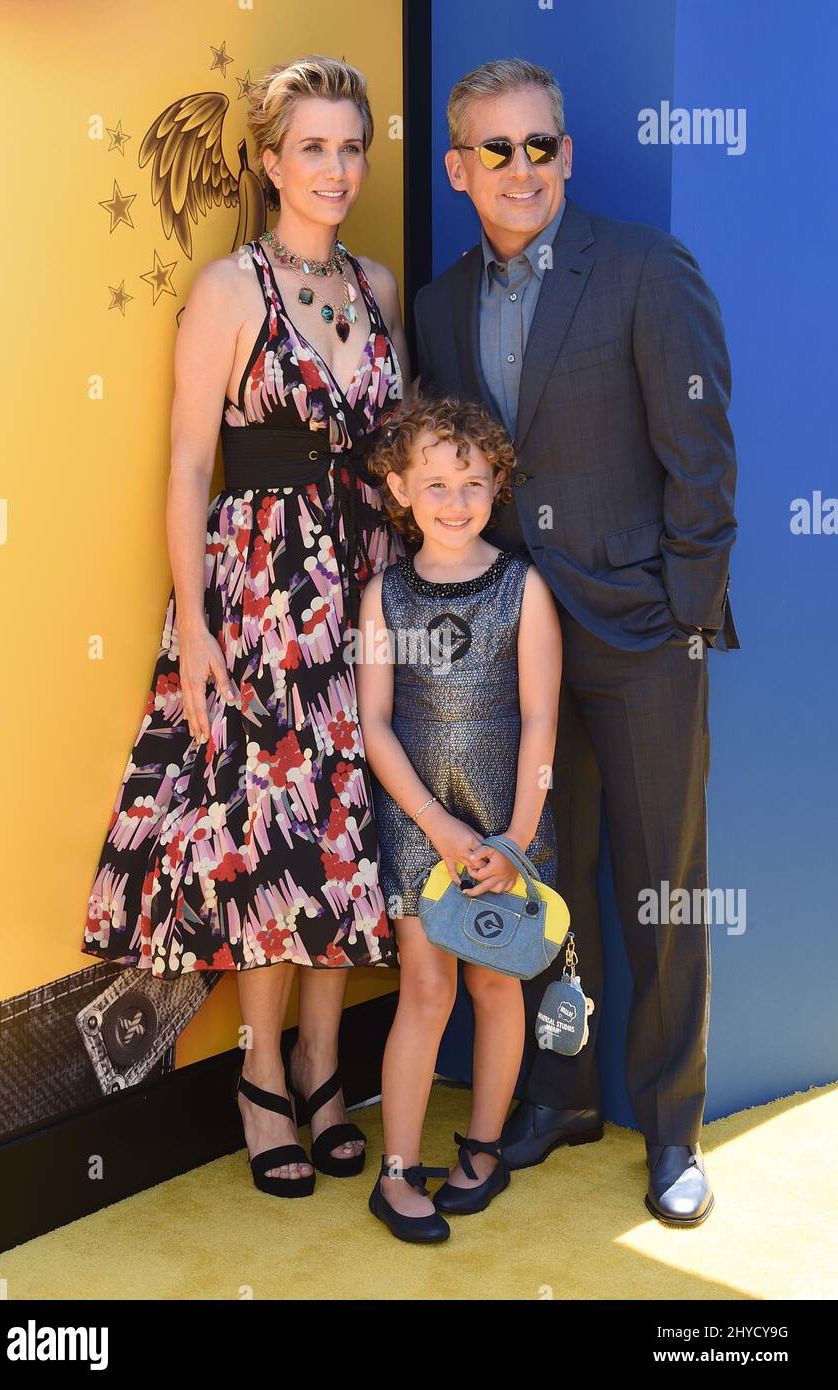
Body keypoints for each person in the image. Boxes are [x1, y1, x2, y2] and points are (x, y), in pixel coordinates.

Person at [413, 58, 739, 1226]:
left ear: (566, 154)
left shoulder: (646, 271)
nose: (520, 169)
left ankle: (673, 1129)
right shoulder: (440, 306)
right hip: (511, 662)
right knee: (542, 883)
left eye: (538, 146)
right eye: (493, 150)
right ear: (456, 168)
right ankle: (560, 1096)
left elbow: (701, 460)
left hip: (643, 643)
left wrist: (680, 614)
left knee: (661, 888)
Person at [82, 55, 410, 1198]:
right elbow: (185, 464)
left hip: (361, 582)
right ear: (269, 162)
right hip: (259, 590)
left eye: (350, 146)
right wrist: (198, 626)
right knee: (269, 836)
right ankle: (260, 1068)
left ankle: (327, 1061)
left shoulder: (375, 287)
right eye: (311, 147)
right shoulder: (230, 290)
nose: (335, 168)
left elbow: (395, 449)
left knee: (347, 826)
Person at [356, 394, 562, 1242]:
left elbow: (542, 723)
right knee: (428, 986)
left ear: (495, 487)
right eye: (434, 483)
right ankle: (397, 1171)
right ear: (400, 489)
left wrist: (514, 840)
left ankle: (483, 1147)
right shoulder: (384, 597)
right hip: (418, 824)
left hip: (508, 824)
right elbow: (372, 725)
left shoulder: (524, 587)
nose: (453, 500)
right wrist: (436, 825)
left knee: (494, 981)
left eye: (472, 482)